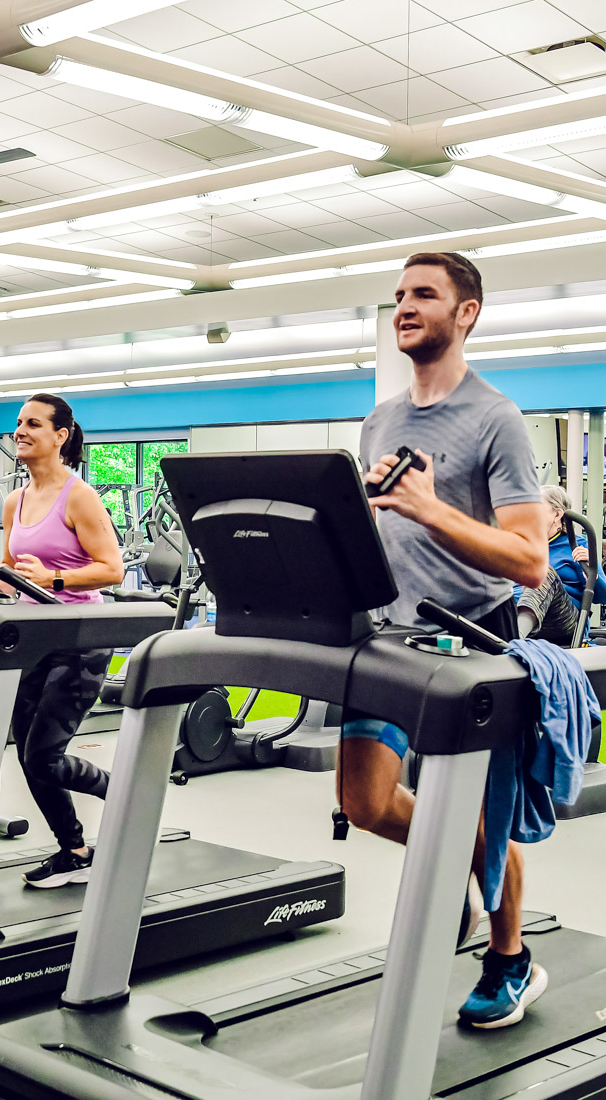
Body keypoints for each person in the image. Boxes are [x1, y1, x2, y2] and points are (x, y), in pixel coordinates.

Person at [338, 252, 548, 1029]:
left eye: (424, 294)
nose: (404, 306)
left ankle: (510, 958)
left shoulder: (496, 417)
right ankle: (457, 862)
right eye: (398, 296)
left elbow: (528, 560)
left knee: (484, 819)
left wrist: (430, 509)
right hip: (387, 633)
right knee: (362, 802)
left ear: (467, 313)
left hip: (469, 640)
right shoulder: (380, 421)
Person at [0, 394, 124, 888]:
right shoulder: (14, 501)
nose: (20, 430)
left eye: (33, 424)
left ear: (60, 436)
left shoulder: (78, 495)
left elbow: (112, 569)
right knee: (28, 758)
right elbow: (13, 569)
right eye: (18, 423)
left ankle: (127, 791)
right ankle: (75, 850)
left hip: (79, 640)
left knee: (44, 756)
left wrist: (55, 582)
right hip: (33, 640)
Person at [515, 484, 606, 646]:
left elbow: (602, 596)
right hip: (514, 609)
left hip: (562, 619)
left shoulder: (578, 546)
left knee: (542, 573)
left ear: (557, 514)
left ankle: (513, 638)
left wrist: (593, 572)